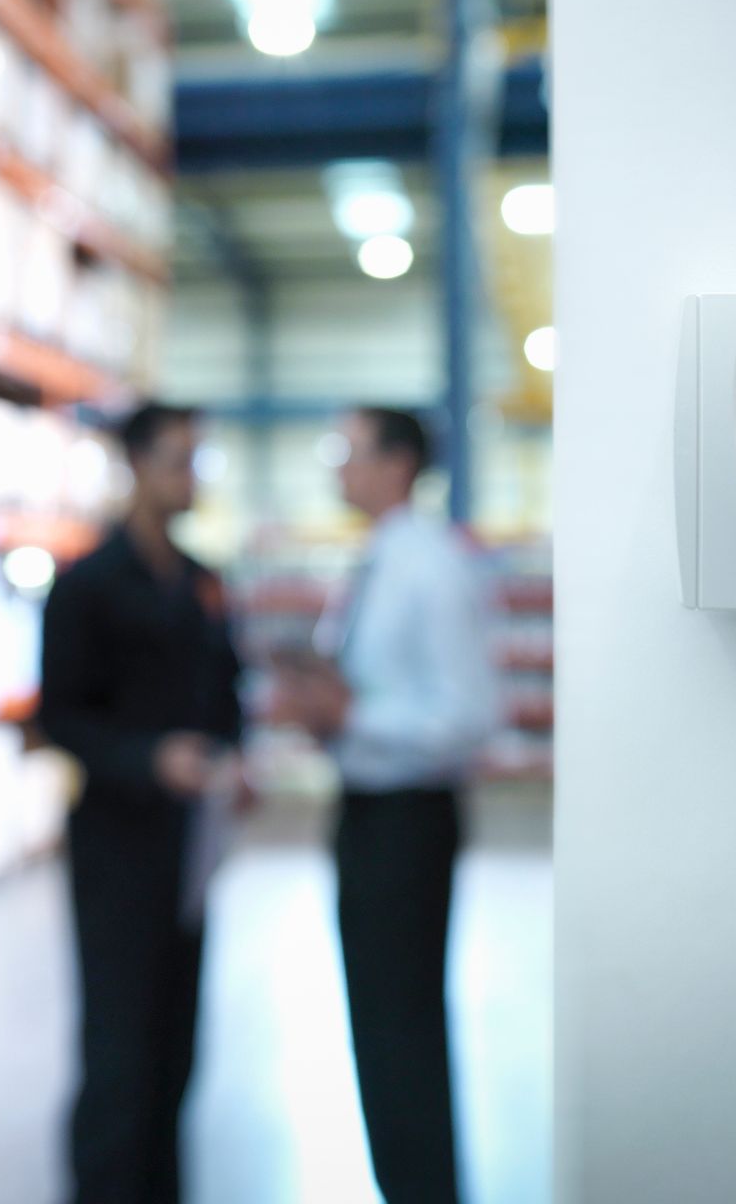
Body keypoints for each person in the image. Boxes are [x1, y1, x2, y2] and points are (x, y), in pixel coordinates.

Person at [274, 406, 501, 1204]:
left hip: (409, 819)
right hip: (372, 811)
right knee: (380, 1021)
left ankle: (424, 1188)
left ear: (398, 463)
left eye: (350, 452)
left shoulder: (430, 567)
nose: (339, 468)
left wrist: (354, 717)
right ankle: (403, 1182)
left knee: (400, 1026)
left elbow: (469, 714)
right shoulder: (378, 560)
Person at [40, 402, 244, 1204]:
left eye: (198, 461)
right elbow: (61, 718)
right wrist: (150, 758)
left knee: (176, 1053)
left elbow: (225, 692)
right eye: (177, 461)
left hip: (190, 847)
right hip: (116, 847)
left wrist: (234, 758)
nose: (189, 477)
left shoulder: (201, 584)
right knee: (119, 1055)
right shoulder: (87, 587)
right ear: (136, 466)